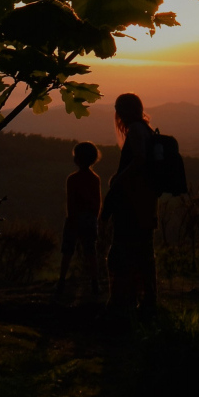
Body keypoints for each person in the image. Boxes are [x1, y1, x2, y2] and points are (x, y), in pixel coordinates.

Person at [101, 92, 158, 319]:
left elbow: (140, 159)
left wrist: (119, 178)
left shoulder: (135, 130)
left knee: (121, 252)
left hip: (132, 205)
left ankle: (121, 302)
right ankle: (146, 302)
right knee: (144, 253)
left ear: (120, 111)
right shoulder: (147, 130)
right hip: (146, 203)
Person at [56, 140, 101, 296]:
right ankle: (95, 283)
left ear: (77, 159)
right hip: (89, 219)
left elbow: (70, 203)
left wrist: (71, 220)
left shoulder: (72, 179)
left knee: (67, 252)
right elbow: (97, 203)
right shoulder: (95, 179)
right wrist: (95, 219)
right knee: (90, 252)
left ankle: (61, 281)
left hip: (74, 219)